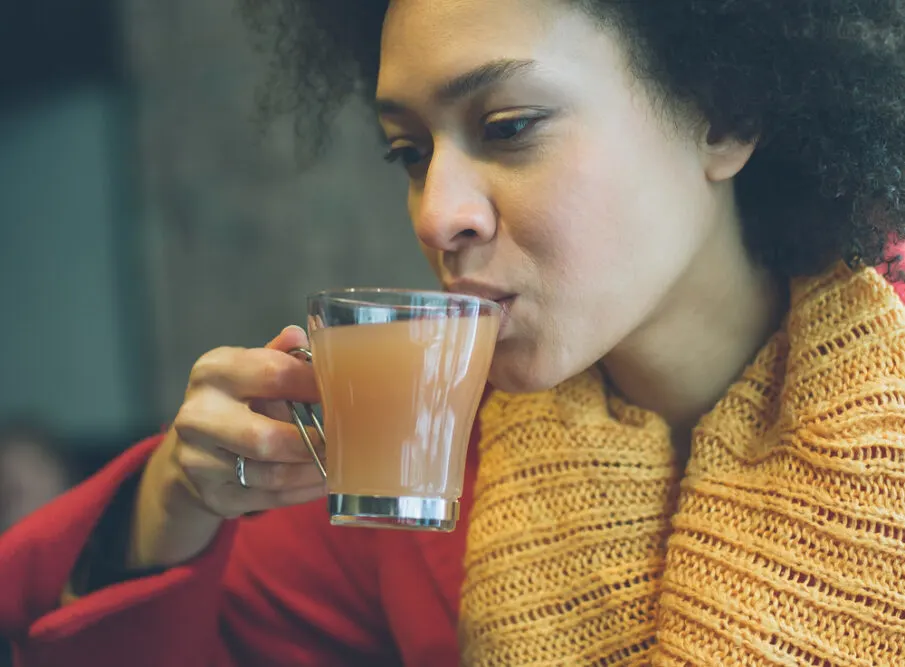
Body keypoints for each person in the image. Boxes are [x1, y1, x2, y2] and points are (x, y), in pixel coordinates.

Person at [2, 1, 905, 665]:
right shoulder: (421, 463)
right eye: (409, 153)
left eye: (509, 127)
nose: (436, 215)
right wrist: (171, 504)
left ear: (725, 115)